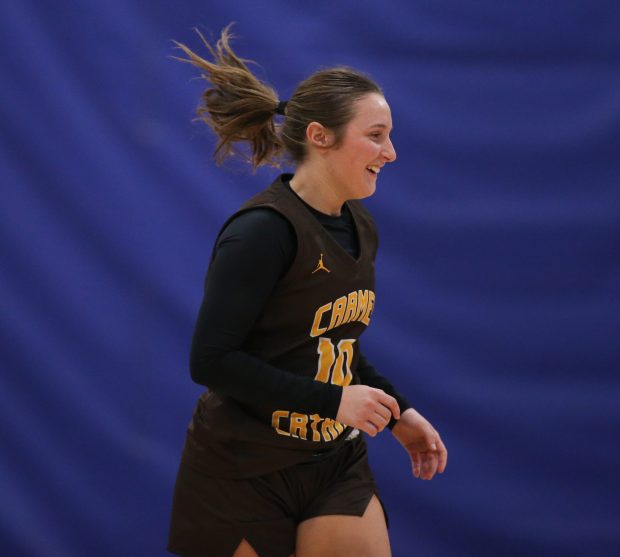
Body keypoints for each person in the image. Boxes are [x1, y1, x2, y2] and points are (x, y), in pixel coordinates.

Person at [168, 24, 448, 557]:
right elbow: (210, 360)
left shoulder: (360, 226)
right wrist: (333, 401)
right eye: (376, 134)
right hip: (243, 468)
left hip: (330, 462)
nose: (390, 152)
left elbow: (334, 347)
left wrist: (398, 412)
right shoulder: (261, 232)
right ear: (321, 136)